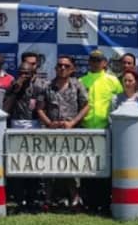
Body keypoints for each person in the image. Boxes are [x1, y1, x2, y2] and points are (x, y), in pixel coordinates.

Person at [37, 55, 89, 208]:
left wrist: (73, 123)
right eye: (59, 65)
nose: (62, 68)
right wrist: (49, 123)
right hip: (51, 132)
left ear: (72, 69)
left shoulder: (78, 85)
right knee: (49, 166)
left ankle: (75, 199)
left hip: (71, 132)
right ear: (55, 68)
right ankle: (47, 199)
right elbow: (40, 109)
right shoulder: (47, 86)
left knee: (70, 166)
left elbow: (86, 106)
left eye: (66, 66)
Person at [81, 49, 123, 213]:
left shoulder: (113, 81)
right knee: (86, 167)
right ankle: (88, 202)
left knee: (104, 168)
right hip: (85, 129)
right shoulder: (81, 80)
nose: (95, 63)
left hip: (106, 129)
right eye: (92, 60)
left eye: (98, 60)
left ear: (105, 63)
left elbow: (120, 103)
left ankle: (104, 202)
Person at [3, 61, 46, 211]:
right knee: (18, 166)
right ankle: (19, 200)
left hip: (34, 129)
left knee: (33, 166)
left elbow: (41, 110)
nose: (23, 76)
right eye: (21, 73)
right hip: (15, 128)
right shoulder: (12, 87)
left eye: (27, 73)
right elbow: (6, 110)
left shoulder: (39, 88)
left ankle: (34, 200)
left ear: (33, 74)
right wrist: (15, 91)